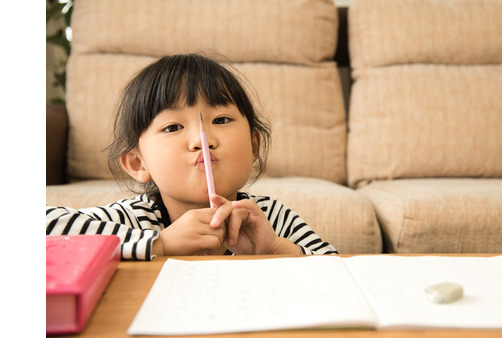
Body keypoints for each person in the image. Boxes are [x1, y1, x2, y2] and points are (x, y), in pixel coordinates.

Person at [46, 53, 337, 260]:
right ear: (138, 163)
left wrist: (275, 250)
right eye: (173, 127)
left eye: (221, 120)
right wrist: (160, 244)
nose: (202, 139)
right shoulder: (134, 220)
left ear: (253, 145)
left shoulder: (269, 219)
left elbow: (341, 275)